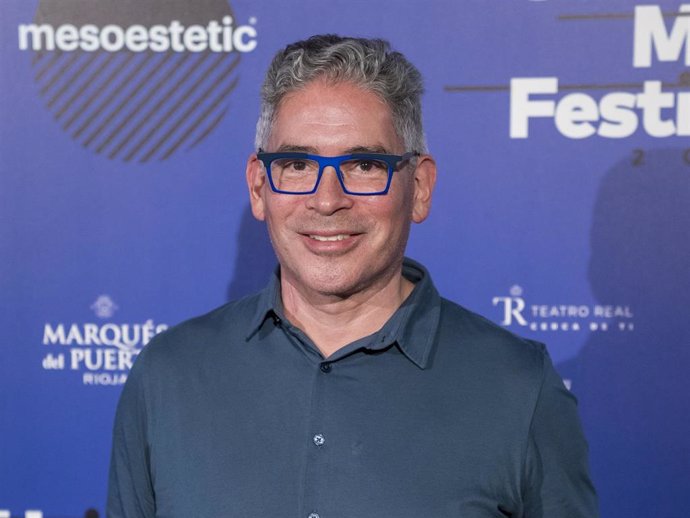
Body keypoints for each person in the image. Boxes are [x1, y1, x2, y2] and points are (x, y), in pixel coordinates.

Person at [107, 34, 599, 518]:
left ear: (420, 188)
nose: (327, 200)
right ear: (259, 187)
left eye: (364, 164)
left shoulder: (518, 387)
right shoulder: (168, 377)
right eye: (297, 164)